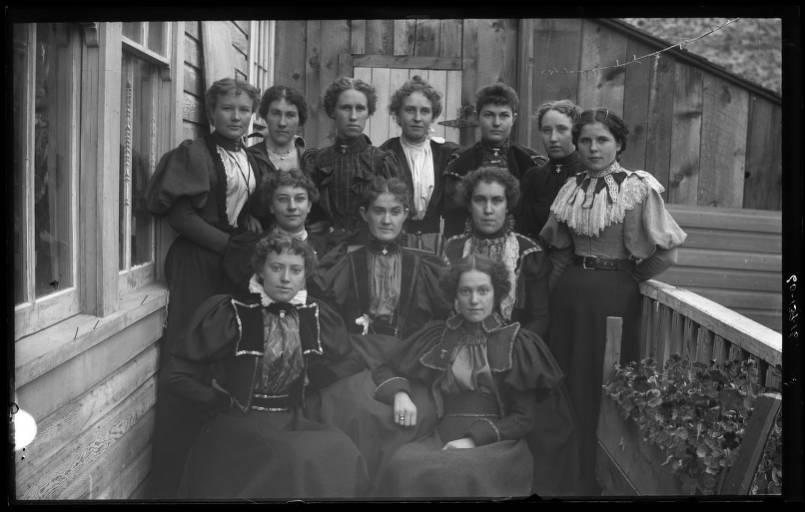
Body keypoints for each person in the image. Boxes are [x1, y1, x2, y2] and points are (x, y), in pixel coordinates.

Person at [540, 108, 687, 494]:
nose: (593, 148)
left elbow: (667, 253)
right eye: (586, 140)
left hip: (614, 296)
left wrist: (632, 278)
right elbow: (557, 248)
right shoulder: (572, 187)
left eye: (602, 140)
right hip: (570, 294)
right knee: (567, 380)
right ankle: (566, 477)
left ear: (619, 144)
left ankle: (600, 478)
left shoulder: (637, 187)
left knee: (604, 383)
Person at [169, 233, 369, 499]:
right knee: (291, 457)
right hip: (240, 423)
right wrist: (219, 401)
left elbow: (352, 360)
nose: (285, 278)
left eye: (295, 270)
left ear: (305, 274)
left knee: (342, 450)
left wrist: (318, 377)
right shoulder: (232, 312)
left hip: (294, 418)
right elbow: (176, 376)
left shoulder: (314, 314)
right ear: (261, 270)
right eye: (276, 268)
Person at [144, 77, 262, 498]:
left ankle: (213, 476)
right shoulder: (194, 153)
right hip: (200, 262)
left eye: (244, 109)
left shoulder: (249, 157)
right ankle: (173, 482)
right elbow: (181, 217)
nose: (236, 116)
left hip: (231, 264)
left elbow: (243, 211)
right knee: (189, 355)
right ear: (211, 112)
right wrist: (231, 247)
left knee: (224, 353)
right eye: (228, 108)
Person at [371, 255, 573, 498]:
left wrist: (472, 440)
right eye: (465, 291)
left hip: (496, 444)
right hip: (440, 437)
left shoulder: (515, 342)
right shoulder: (439, 336)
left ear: (496, 294)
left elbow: (523, 418)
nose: (474, 300)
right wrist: (400, 394)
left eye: (483, 291)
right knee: (401, 465)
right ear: (455, 296)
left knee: (455, 473)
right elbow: (386, 367)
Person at [306, 176, 450, 477]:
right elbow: (326, 316)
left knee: (413, 416)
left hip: (408, 358)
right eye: (379, 211)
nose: (387, 220)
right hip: (354, 357)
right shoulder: (344, 260)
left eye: (395, 211)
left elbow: (441, 321)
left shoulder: (425, 262)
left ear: (406, 214)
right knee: (357, 411)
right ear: (364, 214)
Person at [441, 167, 550, 338]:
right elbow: (440, 309)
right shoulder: (452, 249)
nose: (488, 210)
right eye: (480, 200)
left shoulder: (527, 252)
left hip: (512, 348)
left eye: (497, 200)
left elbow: (540, 318)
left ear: (508, 205)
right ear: (469, 205)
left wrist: (514, 346)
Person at [302, 76, 400, 249]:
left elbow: (393, 213)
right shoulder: (317, 161)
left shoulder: (381, 161)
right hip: (326, 250)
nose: (353, 116)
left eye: (360, 108)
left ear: (368, 113)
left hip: (369, 249)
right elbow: (308, 210)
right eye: (346, 108)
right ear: (333, 111)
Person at [441, 82, 546, 238]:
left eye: (504, 115)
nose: (496, 123)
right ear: (477, 117)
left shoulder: (531, 163)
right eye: (489, 115)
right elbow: (453, 219)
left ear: (514, 118)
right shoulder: (459, 164)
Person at [379, 75, 460, 253]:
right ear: (398, 115)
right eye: (410, 110)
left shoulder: (447, 154)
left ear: (432, 116)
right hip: (396, 240)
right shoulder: (385, 154)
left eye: (424, 111)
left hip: (436, 242)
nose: (417, 118)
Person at [517, 99, 584, 240]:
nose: (553, 138)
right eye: (547, 130)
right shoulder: (533, 177)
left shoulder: (587, 175)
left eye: (562, 129)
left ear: (576, 133)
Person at [247, 85, 310, 229]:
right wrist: (245, 216)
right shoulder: (249, 158)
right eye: (276, 113)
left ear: (300, 120)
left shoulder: (309, 160)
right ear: (265, 116)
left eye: (290, 115)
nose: (282, 123)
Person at [258, 168, 328, 259]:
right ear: (271, 206)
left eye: (299, 199)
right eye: (283, 199)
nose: (292, 207)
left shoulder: (327, 248)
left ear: (309, 206)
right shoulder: (253, 248)